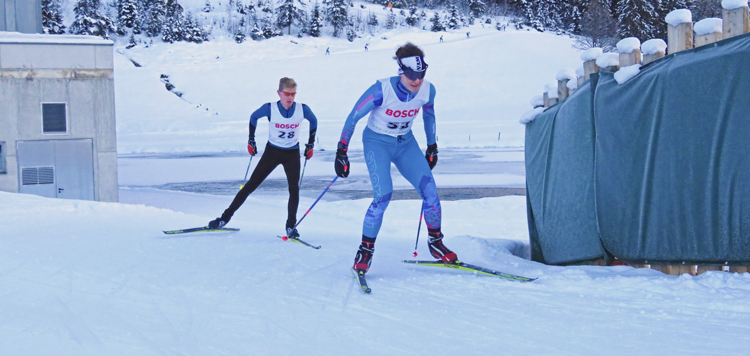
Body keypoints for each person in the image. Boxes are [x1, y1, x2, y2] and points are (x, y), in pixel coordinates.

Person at [334, 42, 457, 275]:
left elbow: (429, 118)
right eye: (411, 74)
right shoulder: (381, 89)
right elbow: (353, 116)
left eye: (421, 74)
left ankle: (435, 243)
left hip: (405, 143)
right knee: (383, 195)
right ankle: (365, 250)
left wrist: (432, 146)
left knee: (430, 192)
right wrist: (342, 151)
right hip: (377, 142)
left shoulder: (428, 90)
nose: (416, 80)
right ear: (401, 70)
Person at [209, 77, 318, 239]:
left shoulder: (303, 109)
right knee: (250, 186)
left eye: (293, 94)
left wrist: (310, 144)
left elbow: (314, 121)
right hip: (272, 152)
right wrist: (251, 140)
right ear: (279, 93)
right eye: (287, 94)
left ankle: (290, 227)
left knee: (294, 190)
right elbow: (253, 117)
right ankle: (224, 219)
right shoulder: (270, 108)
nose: (290, 98)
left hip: (292, 153)